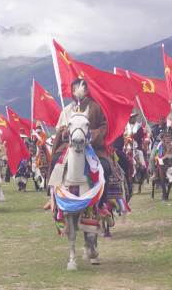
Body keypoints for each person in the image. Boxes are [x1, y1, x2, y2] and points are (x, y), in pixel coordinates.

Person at [51, 78, 123, 236]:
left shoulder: (96, 108)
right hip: (70, 146)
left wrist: (94, 135)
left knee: (104, 166)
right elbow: (60, 128)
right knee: (56, 161)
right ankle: (55, 199)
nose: (78, 92)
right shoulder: (67, 110)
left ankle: (103, 203)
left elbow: (104, 126)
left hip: (93, 147)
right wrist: (63, 132)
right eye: (75, 88)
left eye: (80, 88)